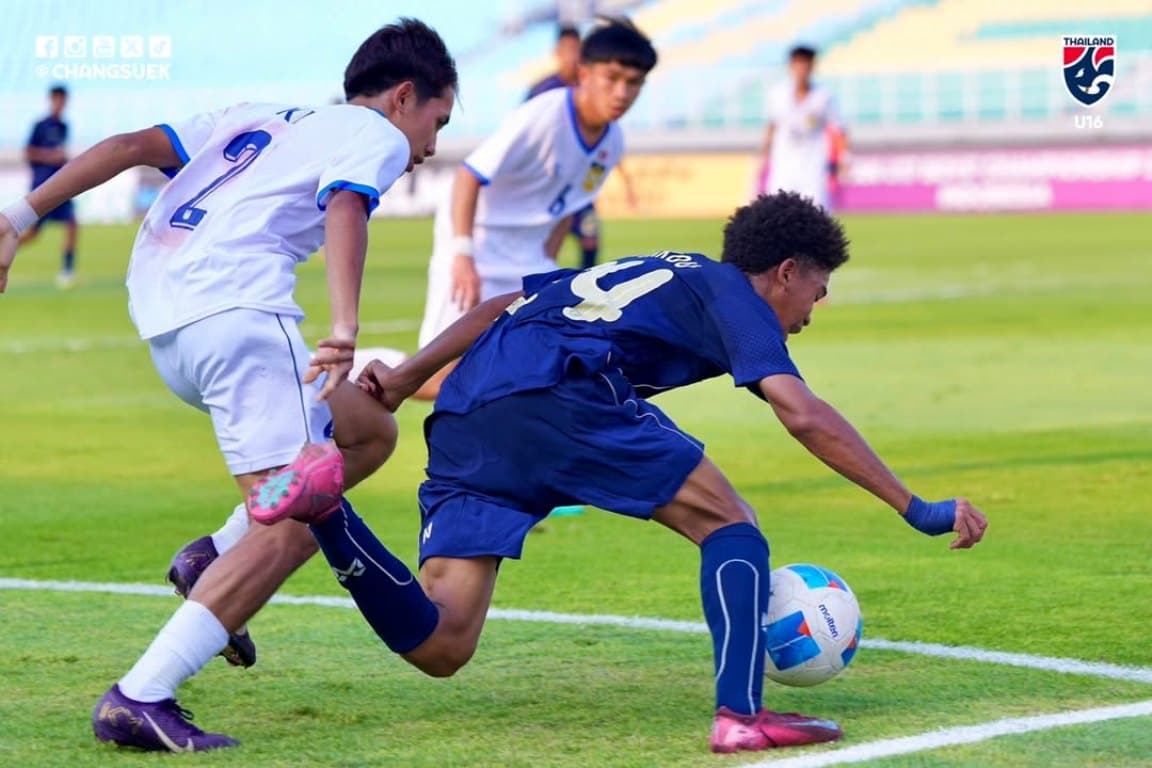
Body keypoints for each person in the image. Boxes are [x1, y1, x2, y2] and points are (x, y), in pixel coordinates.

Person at [251, 192, 989, 754]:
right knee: (730, 524)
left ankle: (327, 511)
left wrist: (411, 375)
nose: (812, 311)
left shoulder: (652, 265)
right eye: (817, 291)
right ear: (787, 271)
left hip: (476, 403)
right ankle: (740, 716)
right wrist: (913, 506)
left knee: (442, 644)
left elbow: (508, 303)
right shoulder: (737, 295)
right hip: (565, 388)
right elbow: (802, 413)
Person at [0, 17, 457, 752]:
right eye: (437, 122)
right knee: (296, 520)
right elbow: (346, 208)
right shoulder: (372, 132)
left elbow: (125, 149)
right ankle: (141, 694)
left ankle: (211, 556)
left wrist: (17, 218)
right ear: (404, 97)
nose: (429, 148)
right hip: (239, 316)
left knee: (368, 430)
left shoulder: (254, 116)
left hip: (166, 324)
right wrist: (344, 326)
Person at [412, 18, 656, 401]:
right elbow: (469, 176)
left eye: (634, 83)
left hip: (527, 259)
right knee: (433, 380)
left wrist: (546, 260)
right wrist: (461, 254)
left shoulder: (613, 142)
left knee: (544, 369)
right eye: (612, 78)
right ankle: (363, 370)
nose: (622, 92)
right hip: (478, 248)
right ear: (584, 72)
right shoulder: (542, 115)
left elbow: (570, 204)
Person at [526, 24, 638, 273]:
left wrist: (626, 182)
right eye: (567, 50)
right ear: (557, 52)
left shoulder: (596, 93)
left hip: (578, 190)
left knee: (590, 244)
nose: (572, 55)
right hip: (546, 190)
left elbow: (605, 144)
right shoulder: (542, 92)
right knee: (538, 250)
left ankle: (581, 294)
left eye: (577, 49)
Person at [758, 45, 848, 211]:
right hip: (783, 166)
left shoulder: (823, 96)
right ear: (791, 66)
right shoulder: (777, 95)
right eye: (798, 64)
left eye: (806, 64)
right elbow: (771, 125)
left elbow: (839, 129)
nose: (802, 69)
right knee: (776, 215)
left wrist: (844, 157)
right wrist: (764, 155)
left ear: (813, 66)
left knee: (817, 214)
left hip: (813, 168)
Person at [22, 84, 79, 288]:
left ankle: (67, 271)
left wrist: (64, 161)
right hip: (42, 185)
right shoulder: (40, 125)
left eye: (63, 100)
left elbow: (60, 154)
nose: (60, 104)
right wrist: (50, 156)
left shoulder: (64, 126)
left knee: (72, 224)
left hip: (62, 184)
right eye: (57, 99)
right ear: (51, 100)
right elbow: (28, 152)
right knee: (32, 234)